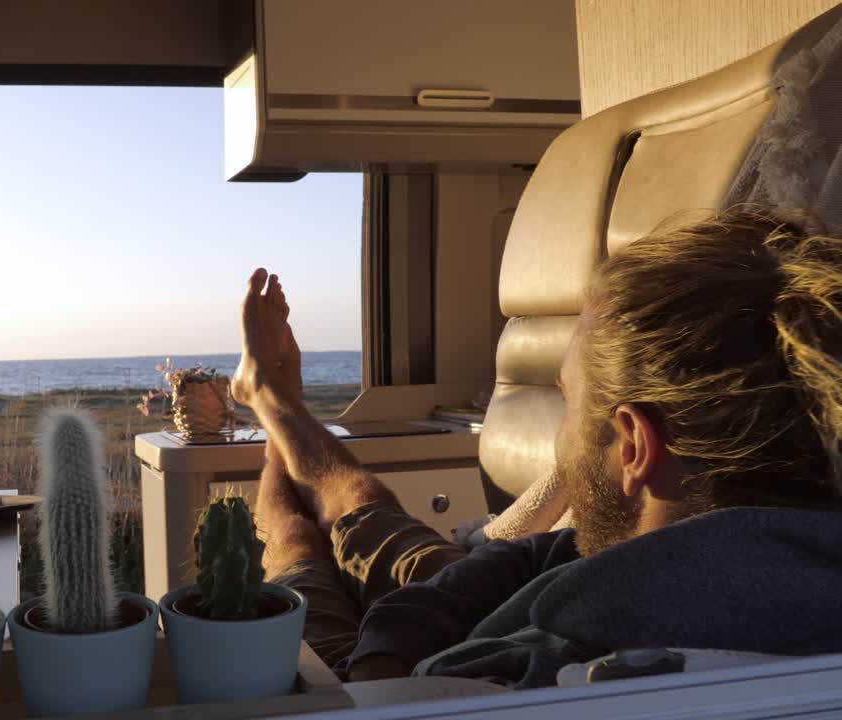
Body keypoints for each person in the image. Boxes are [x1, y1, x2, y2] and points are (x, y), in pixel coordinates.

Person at [234, 208, 842, 688]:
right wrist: (400, 627)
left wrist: (376, 673)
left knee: (296, 546)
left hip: (419, 659)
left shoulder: (516, 681)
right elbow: (541, 554)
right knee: (364, 507)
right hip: (494, 601)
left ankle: (273, 415)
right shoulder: (786, 549)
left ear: (633, 446)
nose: (561, 436)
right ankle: (278, 408)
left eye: (567, 400)